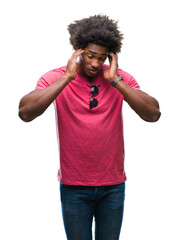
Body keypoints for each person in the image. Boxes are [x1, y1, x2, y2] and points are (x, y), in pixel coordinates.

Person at [18, 14, 161, 240]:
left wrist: (115, 81)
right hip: (74, 186)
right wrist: (66, 77)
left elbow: (153, 114)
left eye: (102, 57)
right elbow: (25, 113)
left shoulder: (120, 79)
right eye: (91, 55)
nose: (96, 63)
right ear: (78, 51)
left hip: (113, 185)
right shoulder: (56, 77)